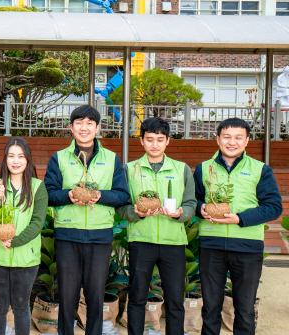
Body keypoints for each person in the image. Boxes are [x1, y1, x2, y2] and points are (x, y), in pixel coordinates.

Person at [44, 105, 130, 335]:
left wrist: (101, 196)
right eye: (79, 123)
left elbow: (123, 195)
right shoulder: (59, 158)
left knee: (95, 295)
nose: (84, 128)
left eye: (89, 123)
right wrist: (69, 196)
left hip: (99, 236)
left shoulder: (111, 159)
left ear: (98, 128)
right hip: (67, 236)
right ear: (70, 127)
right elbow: (49, 194)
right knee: (67, 295)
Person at [193, 118, 282, 335]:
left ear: (247, 141)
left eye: (238, 137)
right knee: (211, 306)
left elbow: (273, 207)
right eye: (227, 137)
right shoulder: (204, 168)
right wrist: (200, 208)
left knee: (244, 308)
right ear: (218, 139)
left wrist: (240, 219)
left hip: (247, 246)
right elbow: (192, 201)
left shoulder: (261, 169)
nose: (232, 142)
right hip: (212, 244)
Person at [116, 117, 196, 335]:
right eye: (149, 139)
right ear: (141, 141)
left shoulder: (182, 170)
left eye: (160, 140)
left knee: (175, 300)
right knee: (138, 297)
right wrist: (136, 213)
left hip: (174, 242)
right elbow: (121, 205)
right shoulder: (129, 169)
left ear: (168, 141)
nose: (154, 144)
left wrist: (181, 214)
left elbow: (191, 203)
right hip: (142, 240)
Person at [0, 137, 48, 335]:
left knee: (21, 307)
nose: (15, 160)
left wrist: (16, 241)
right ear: (5, 159)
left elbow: (38, 222)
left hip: (25, 258)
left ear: (28, 159)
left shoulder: (38, 187)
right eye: (11, 156)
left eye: (20, 156)